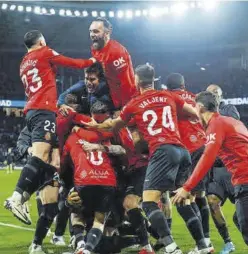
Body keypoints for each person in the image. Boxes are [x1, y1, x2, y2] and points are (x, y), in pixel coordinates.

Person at [83, 64, 208, 254]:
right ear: (154, 79)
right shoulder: (169, 96)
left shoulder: (134, 103)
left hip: (161, 151)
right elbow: (196, 113)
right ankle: (204, 246)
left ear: (136, 79)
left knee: (149, 202)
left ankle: (171, 247)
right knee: (183, 201)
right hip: (182, 151)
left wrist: (93, 125)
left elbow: (112, 126)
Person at [4, 30, 95, 254]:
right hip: (42, 113)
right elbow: (73, 62)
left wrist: (56, 107)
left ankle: (24, 198)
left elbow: (39, 88)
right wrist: (93, 60)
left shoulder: (23, 63)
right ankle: (18, 196)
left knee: (50, 160)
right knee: (41, 156)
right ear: (41, 42)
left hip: (35, 111)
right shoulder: (44, 52)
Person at [172, 91, 248, 246]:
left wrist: (187, 187)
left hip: (245, 180)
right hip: (242, 180)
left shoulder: (216, 124)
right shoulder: (233, 122)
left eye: (194, 107)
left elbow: (207, 158)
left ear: (199, 107)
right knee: (238, 220)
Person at [166, 73, 213, 252]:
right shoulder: (194, 97)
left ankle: (202, 244)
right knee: (199, 195)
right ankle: (206, 240)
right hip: (204, 145)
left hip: (188, 149)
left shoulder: (170, 98)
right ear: (183, 85)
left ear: (168, 87)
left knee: (185, 198)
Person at [206, 84, 239, 254]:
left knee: (241, 212)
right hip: (215, 170)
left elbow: (230, 126)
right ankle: (228, 242)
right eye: (209, 94)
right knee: (212, 201)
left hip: (232, 168)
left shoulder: (229, 109)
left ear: (220, 96)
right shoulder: (203, 115)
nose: (212, 96)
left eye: (215, 93)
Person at [90, 17, 137, 110]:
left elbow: (125, 84)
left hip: (126, 100)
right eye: (90, 31)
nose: (91, 35)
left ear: (107, 33)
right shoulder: (95, 48)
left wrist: (123, 109)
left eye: (96, 31)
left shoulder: (117, 53)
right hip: (109, 92)